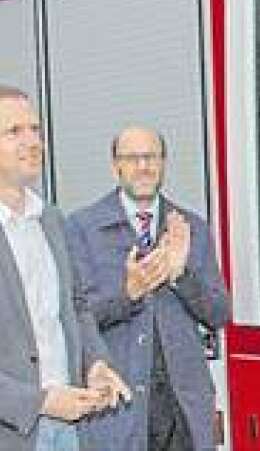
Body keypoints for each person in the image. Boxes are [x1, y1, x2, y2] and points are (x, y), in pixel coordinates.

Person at [66, 126, 230, 451]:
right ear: (116, 167)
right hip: (118, 409)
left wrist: (180, 275)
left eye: (151, 157)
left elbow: (218, 313)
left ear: (163, 163)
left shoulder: (190, 227)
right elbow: (73, 319)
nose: (143, 167)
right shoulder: (81, 229)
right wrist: (128, 294)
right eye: (132, 158)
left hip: (182, 409)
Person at [0, 85, 130, 451]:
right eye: (14, 132)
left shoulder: (52, 220)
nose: (32, 141)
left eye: (35, 130)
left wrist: (95, 364)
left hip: (65, 431)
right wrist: (39, 401)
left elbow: (75, 307)